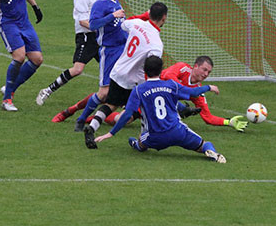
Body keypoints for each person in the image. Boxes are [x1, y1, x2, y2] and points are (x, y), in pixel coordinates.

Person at [95, 56, 226, 163]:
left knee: (142, 140)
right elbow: (194, 91)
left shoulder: (139, 90)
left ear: (145, 71)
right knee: (203, 144)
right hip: (178, 132)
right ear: (161, 70)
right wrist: (209, 87)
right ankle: (212, 152)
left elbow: (127, 113)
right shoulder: (172, 85)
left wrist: (110, 133)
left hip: (155, 137)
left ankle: (137, 144)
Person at [83, 2, 167, 149]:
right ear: (164, 18)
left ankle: (92, 127)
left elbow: (124, 24)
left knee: (110, 105)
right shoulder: (156, 43)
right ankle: (143, 140)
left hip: (117, 71)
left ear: (149, 14)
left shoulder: (136, 23)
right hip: (133, 79)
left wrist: (142, 16)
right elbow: (152, 66)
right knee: (144, 107)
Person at [36, 0, 101, 110]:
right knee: (78, 69)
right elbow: (83, 22)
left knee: (111, 66)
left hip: (97, 36)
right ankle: (48, 90)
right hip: (86, 37)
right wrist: (103, 25)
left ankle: (118, 100)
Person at [71, 0, 128, 131]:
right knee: (104, 93)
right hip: (109, 52)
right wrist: (112, 16)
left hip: (122, 51)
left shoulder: (115, 2)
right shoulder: (100, 5)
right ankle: (82, 119)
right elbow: (94, 24)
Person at [161, 56, 248, 132]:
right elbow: (167, 75)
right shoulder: (183, 68)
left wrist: (228, 122)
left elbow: (208, 118)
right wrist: (186, 90)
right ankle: (181, 108)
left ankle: (181, 109)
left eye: (209, 72)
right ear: (196, 66)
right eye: (204, 69)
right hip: (148, 83)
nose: (206, 74)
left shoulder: (198, 93)